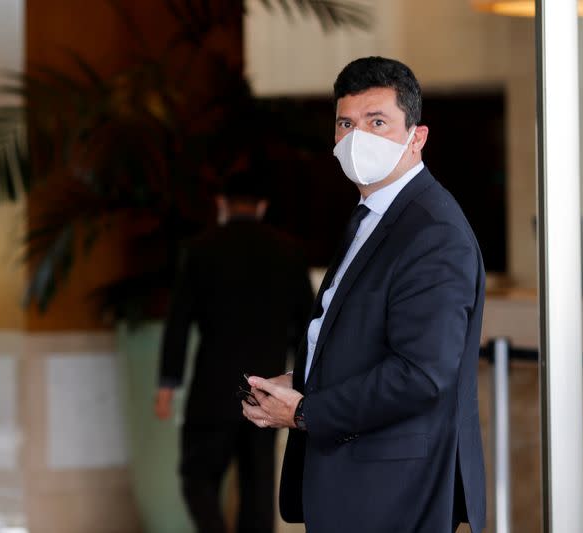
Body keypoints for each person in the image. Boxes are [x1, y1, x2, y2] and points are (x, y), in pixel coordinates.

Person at [242, 56, 487, 533]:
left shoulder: (432, 231)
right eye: (346, 124)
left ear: (417, 136)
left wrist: (307, 411)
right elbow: (369, 339)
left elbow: (420, 374)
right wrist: (308, 378)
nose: (358, 138)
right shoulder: (375, 216)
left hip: (393, 490)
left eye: (377, 122)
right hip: (360, 484)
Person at [155, 170, 313, 533]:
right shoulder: (288, 251)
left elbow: (178, 323)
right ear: (262, 206)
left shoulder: (201, 248)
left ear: (222, 204)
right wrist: (302, 385)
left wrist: (167, 385)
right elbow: (307, 328)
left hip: (212, 389)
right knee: (257, 486)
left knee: (197, 477)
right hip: (267, 390)